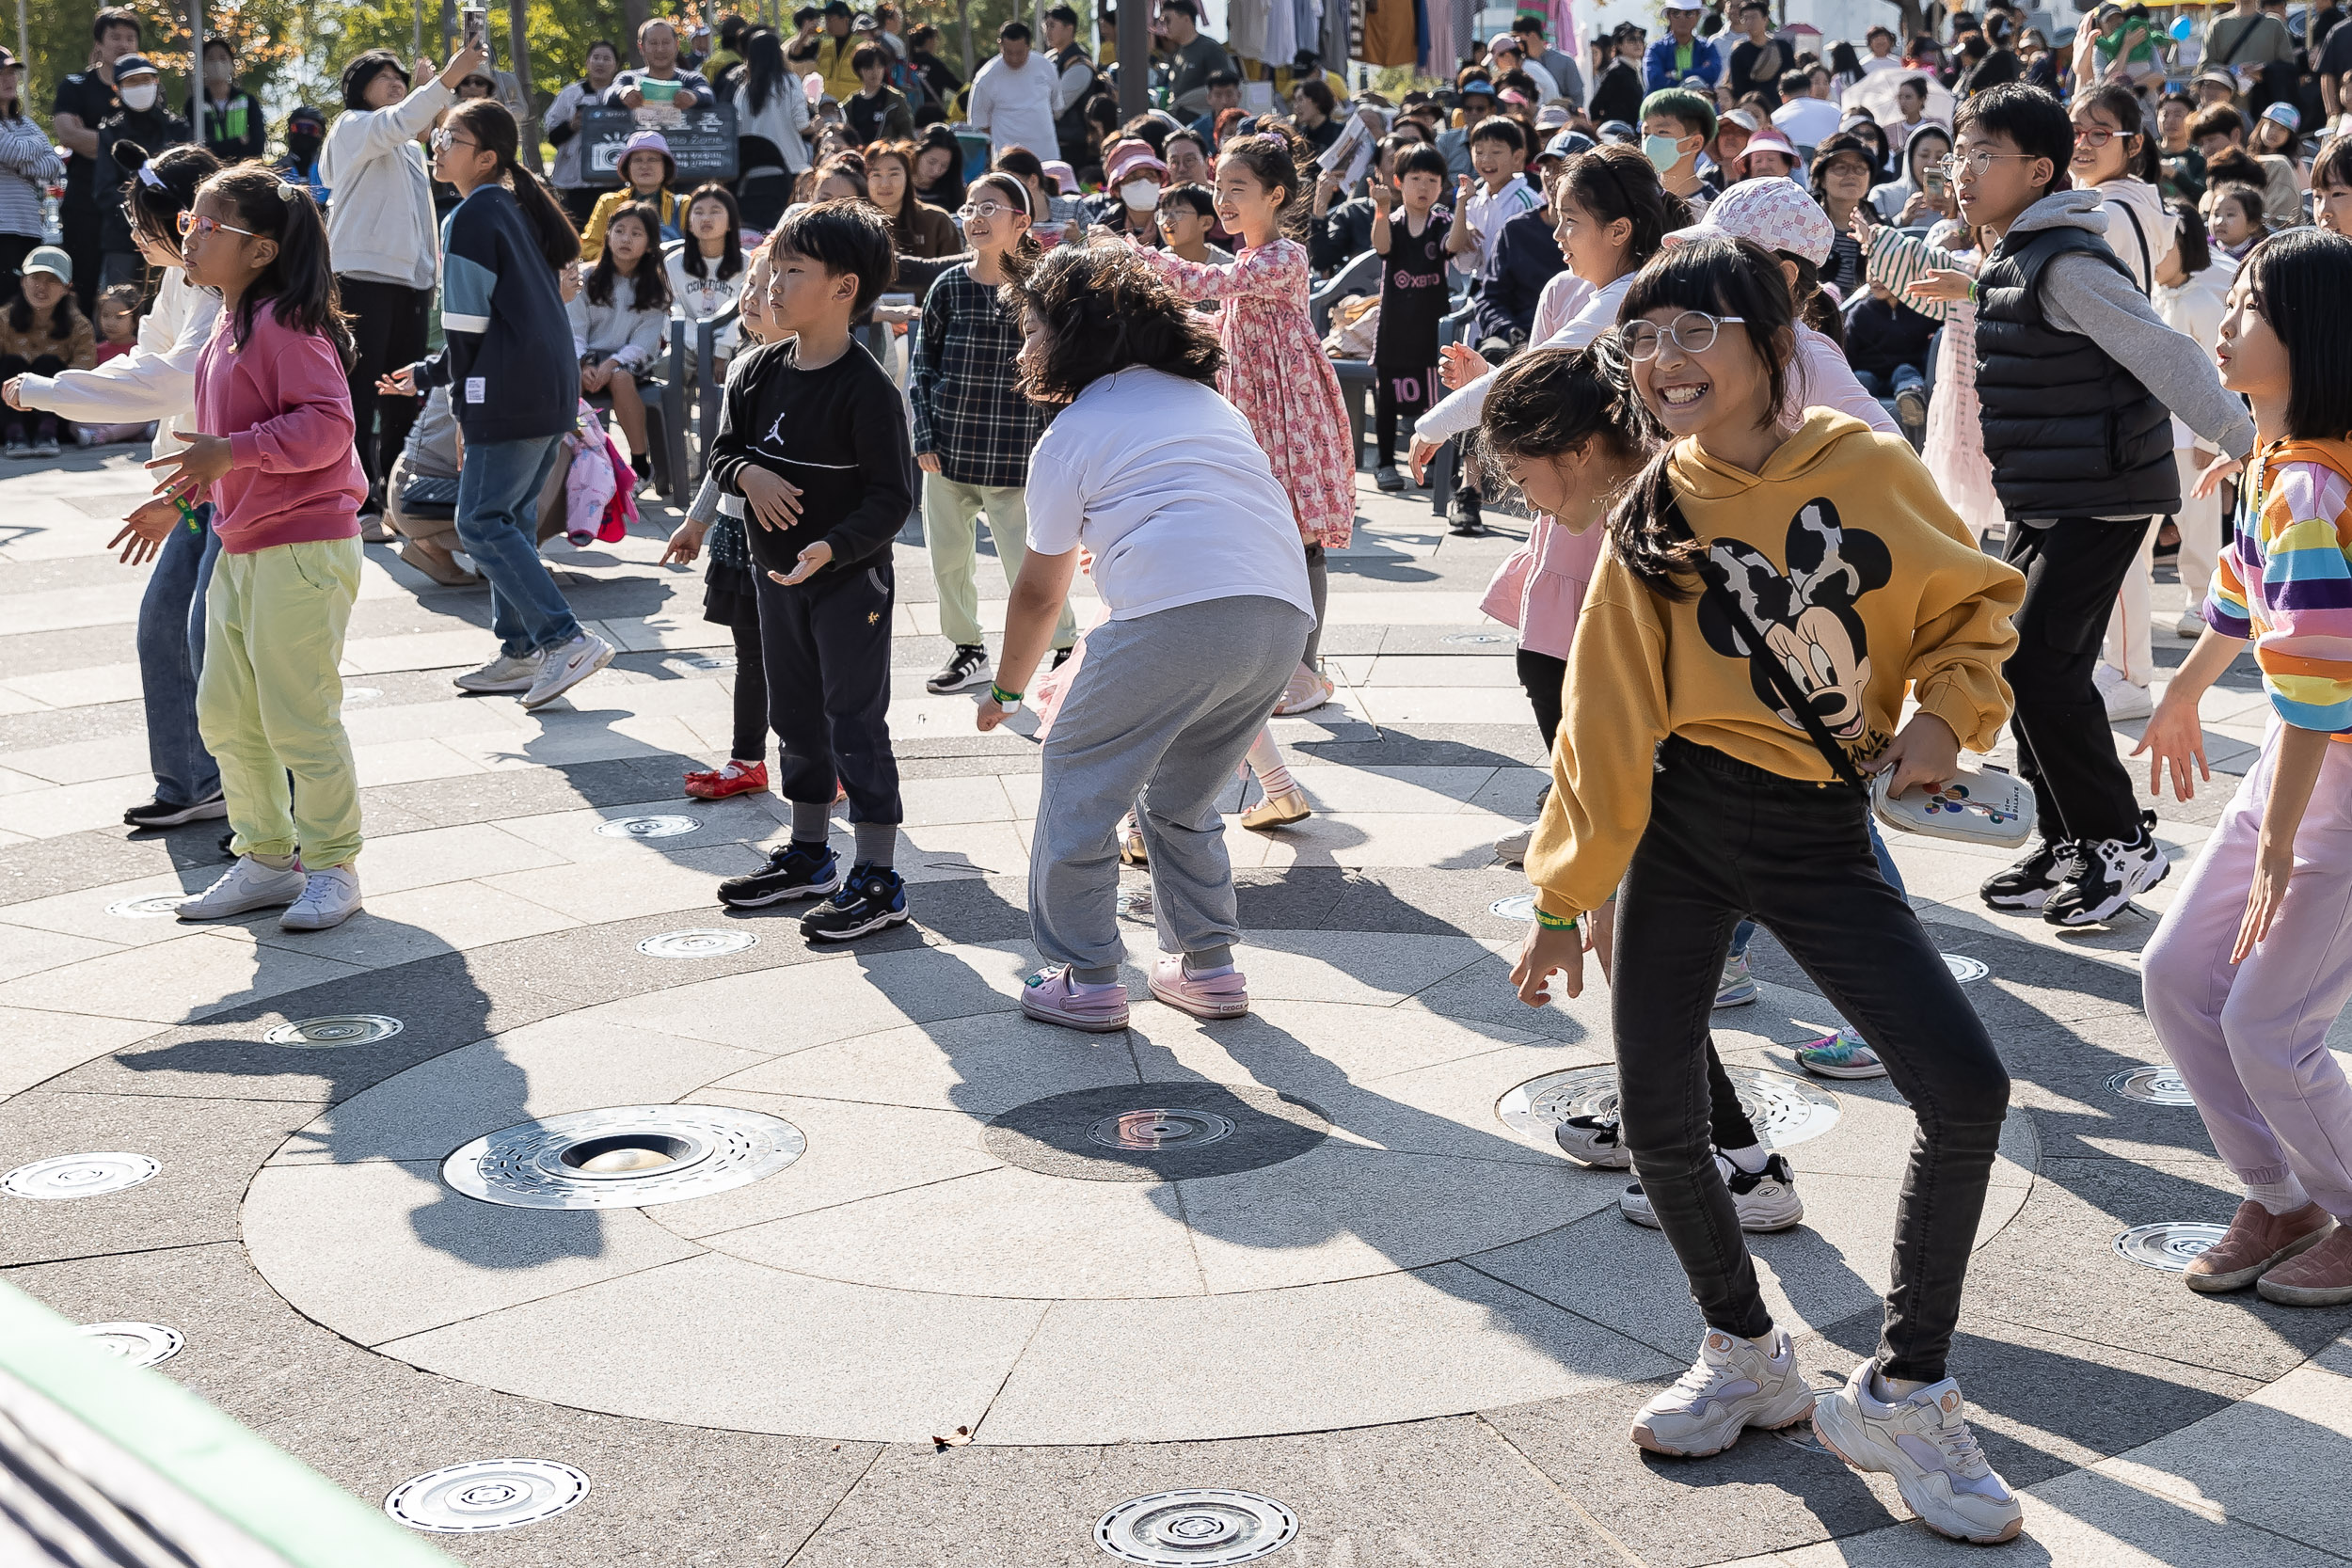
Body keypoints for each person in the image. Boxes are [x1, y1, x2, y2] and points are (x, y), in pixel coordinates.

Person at [1509, 232, 2026, 1543]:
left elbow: (1974, 600)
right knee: (1663, 1116)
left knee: (1965, 1086)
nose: (1667, 361)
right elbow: (1603, 721)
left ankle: (1909, 1384)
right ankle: (1746, 1350)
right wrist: (1565, 898)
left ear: (1766, 338)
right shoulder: (1651, 512)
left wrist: (1948, 716)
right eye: (1646, 337)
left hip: (1815, 827)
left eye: (1694, 329)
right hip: (1682, 823)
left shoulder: (1866, 465)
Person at [977, 245, 1312, 1030]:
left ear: (1076, 334)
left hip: (1175, 614)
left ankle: (1087, 976)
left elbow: (1037, 592)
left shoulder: (1072, 430)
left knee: (1078, 777)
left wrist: (1006, 688)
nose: (1023, 347)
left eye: (1032, 328)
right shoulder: (1208, 402)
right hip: (1278, 615)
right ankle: (1208, 967)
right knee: (1183, 797)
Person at [1947, 85, 2255, 927]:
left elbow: (2165, 353)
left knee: (2042, 665)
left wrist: (2244, 442)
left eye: (1984, 157)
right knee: (2023, 660)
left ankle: (2120, 841)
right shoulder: (2013, 258)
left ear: (2038, 170)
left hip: (2104, 492)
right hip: (2053, 494)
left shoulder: (2070, 264)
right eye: (1959, 155)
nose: (1963, 173)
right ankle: (2070, 842)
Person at [2137, 229, 2352, 1307]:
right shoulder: (2271, 463)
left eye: (2248, 308)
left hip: (2336, 779)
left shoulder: (2311, 484)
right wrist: (2182, 691)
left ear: (2306, 338)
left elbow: (2322, 678)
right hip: (2299, 760)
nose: (2223, 325)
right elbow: (2237, 585)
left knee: (2269, 1023)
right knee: (2176, 978)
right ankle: (2278, 1192)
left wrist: (2274, 849)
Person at [151, 166, 371, 933]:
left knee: (298, 714)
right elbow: (222, 453)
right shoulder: (225, 322)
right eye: (191, 221)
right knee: (228, 714)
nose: (191, 235)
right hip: (242, 544)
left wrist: (232, 453)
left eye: (207, 225)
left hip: (304, 548)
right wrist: (181, 497)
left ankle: (333, 863)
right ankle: (268, 859)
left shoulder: (285, 323)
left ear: (260, 249)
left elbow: (328, 428)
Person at [1126, 132, 1354, 817]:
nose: (1223, 201)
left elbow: (1205, 282)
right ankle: (1290, 676)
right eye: (1219, 189)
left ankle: (1303, 666)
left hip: (1283, 407)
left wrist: (1134, 254)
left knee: (1296, 530)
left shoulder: (1282, 254)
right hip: (1254, 400)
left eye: (1237, 190)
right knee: (1273, 529)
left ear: (1276, 195)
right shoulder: (1255, 255)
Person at [707, 203, 915, 940]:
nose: (773, 283)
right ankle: (808, 854)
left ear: (842, 287)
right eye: (774, 267)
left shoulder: (867, 389)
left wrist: (835, 546)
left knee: (853, 721)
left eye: (794, 271)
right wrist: (750, 476)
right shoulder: (758, 369)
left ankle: (881, 875)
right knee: (792, 715)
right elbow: (723, 452)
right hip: (775, 582)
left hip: (847, 582)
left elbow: (893, 498)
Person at [6, 142, 223, 829]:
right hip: (197, 492)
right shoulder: (184, 285)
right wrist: (173, 495)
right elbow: (147, 363)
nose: (133, 232)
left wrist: (45, 390)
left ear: (185, 220)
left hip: (243, 489)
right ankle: (194, 781)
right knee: (166, 629)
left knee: (227, 648)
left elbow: (165, 381)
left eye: (142, 218)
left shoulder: (223, 292)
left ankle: (273, 816)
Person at [388, 98, 613, 712]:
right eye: (439, 136)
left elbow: (466, 329)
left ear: (485, 157)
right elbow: (488, 328)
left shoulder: (470, 217)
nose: (438, 145)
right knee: (506, 521)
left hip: (509, 392)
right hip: (546, 389)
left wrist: (457, 394)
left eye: (451, 138)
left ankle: (564, 639)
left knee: (480, 521)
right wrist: (434, 372)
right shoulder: (506, 208)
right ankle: (519, 652)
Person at [909, 169, 1077, 698]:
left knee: (1028, 561)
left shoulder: (1041, 289)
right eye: (969, 208)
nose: (975, 218)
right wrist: (923, 435)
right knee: (948, 561)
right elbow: (923, 367)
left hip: (1016, 455)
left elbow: (1060, 371)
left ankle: (1066, 645)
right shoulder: (949, 286)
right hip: (948, 454)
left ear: (1021, 221)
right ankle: (968, 649)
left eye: (990, 208)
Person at [324, 42, 484, 530]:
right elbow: (396, 121)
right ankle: (355, 501)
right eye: (383, 76)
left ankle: (390, 496)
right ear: (357, 89)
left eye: (400, 76)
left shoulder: (410, 149)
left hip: (410, 286)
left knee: (402, 393)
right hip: (361, 280)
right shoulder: (351, 127)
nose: (394, 82)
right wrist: (443, 81)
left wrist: (427, 279)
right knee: (359, 392)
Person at [661, 245, 780, 800]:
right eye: (750, 287)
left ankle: (824, 758)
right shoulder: (740, 367)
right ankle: (747, 759)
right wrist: (698, 521)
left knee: (806, 656)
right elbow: (724, 455)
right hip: (739, 532)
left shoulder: (824, 371)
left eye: (772, 286)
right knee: (751, 654)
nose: (754, 299)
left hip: (793, 536)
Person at [1851, 201, 2005, 542]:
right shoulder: (1961, 269)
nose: (1997, 238)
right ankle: (1964, 562)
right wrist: (1876, 239)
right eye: (1989, 231)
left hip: (2004, 391)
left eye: (2002, 230)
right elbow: (1923, 264)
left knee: (2004, 483)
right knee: (1957, 491)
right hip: (1962, 394)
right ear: (1977, 236)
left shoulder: (2020, 273)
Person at [2151, 201, 2232, 638]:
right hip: (2155, 431)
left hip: (2191, 435)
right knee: (2146, 525)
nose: (2154, 255)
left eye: (2162, 246)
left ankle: (2202, 598)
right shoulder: (2155, 296)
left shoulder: (2204, 300)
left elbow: (2217, 375)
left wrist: (2209, 438)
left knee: (2196, 522)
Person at [1368, 144, 1452, 492]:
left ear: (1442, 185)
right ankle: (1386, 462)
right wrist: (1381, 209)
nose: (1423, 186)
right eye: (1415, 178)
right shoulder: (1393, 219)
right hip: (1394, 330)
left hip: (1431, 332)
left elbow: (1455, 246)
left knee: (1436, 403)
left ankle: (1434, 464)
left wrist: (1462, 205)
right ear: (1398, 181)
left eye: (1432, 180)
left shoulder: (1443, 221)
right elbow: (1382, 248)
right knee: (1386, 401)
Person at [570, 202, 670, 485]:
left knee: (621, 379)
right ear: (608, 235)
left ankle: (639, 465)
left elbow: (645, 341)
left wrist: (611, 363)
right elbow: (574, 328)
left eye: (636, 233)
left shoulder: (654, 289)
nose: (626, 239)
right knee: (569, 378)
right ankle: (565, 457)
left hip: (629, 363)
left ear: (650, 243)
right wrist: (584, 363)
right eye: (620, 230)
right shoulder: (585, 278)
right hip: (584, 357)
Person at [52, 8, 143, 312]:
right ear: (99, 44)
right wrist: (124, 147)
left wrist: (93, 138)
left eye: (130, 38)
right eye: (115, 36)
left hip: (129, 204)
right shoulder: (75, 86)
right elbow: (67, 134)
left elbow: (152, 146)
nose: (123, 44)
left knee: (132, 293)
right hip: (83, 204)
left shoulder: (146, 89)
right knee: (83, 284)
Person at [93, 55, 189, 292]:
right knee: (118, 313)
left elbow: (189, 181)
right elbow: (105, 191)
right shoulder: (110, 133)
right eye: (132, 82)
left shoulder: (179, 128)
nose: (140, 87)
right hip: (123, 239)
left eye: (145, 80)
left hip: (172, 238)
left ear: (156, 82)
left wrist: (164, 217)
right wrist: (141, 219)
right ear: (117, 88)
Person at [0, 248, 95, 456]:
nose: (41, 287)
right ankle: (13, 435)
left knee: (49, 364)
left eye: (52, 280)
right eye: (35, 278)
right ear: (23, 281)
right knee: (11, 364)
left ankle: (46, 435)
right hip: (4, 414)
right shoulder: (3, 320)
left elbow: (82, 375)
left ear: (66, 288)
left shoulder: (80, 326)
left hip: (57, 416)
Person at [736, 28, 815, 230]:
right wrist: (819, 124)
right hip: (792, 171)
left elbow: (737, 132)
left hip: (753, 176)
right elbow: (802, 125)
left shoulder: (743, 91)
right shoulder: (790, 82)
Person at [667, 182, 747, 377]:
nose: (706, 218)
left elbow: (745, 313)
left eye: (715, 211)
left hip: (733, 345)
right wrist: (700, 347)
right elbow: (671, 311)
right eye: (698, 212)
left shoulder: (749, 263)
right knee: (666, 366)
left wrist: (721, 351)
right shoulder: (672, 263)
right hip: (687, 344)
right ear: (689, 223)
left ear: (730, 222)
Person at [0, 54, 61, 289]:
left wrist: (21, 160)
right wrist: (36, 145)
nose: (9, 80)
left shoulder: (25, 124)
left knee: (20, 308)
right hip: (3, 229)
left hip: (30, 229)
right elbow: (13, 152)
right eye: (1, 74)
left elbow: (53, 164)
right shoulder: (33, 132)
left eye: (11, 73)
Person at [546, 40, 623, 226]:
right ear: (587, 62)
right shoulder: (570, 95)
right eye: (596, 58)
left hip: (613, 180)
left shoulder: (622, 96)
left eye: (606, 59)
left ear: (616, 65)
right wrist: (572, 126)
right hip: (576, 182)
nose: (600, 63)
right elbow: (552, 136)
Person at [581, 131, 685, 261]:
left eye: (652, 159)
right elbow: (589, 246)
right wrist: (622, 260)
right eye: (637, 160)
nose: (644, 166)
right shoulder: (609, 202)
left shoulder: (683, 205)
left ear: (666, 167)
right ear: (627, 167)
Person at [969, 22, 1065, 163]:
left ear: (1029, 46)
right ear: (1000, 45)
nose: (1014, 58)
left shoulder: (1046, 67)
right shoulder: (986, 77)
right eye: (1008, 52)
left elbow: (1057, 107)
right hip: (1008, 160)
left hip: (1047, 155)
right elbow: (979, 125)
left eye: (1019, 53)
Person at [1809, 132, 1876, 293]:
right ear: (1822, 179)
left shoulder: (1879, 227)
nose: (1851, 175)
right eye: (1841, 168)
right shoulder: (1805, 224)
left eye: (1860, 168)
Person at [1641, 89, 1717, 216]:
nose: (1650, 141)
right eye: (1646, 134)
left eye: (1662, 132)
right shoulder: (1637, 196)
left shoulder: (1713, 207)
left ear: (1695, 143)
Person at [188, 38, 264, 164]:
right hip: (209, 173)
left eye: (223, 58)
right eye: (210, 59)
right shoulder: (195, 104)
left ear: (232, 65)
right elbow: (199, 147)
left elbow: (257, 145)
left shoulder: (247, 101)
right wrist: (239, 141)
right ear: (202, 66)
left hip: (244, 172)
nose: (217, 64)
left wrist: (219, 147)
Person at [609, 18, 710, 110]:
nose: (660, 49)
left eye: (666, 42)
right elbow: (609, 93)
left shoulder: (692, 80)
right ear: (641, 47)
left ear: (676, 45)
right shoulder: (628, 79)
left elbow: (708, 94)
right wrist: (624, 92)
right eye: (653, 43)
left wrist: (694, 96)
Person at [1160, 0, 1234, 118]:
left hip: (1203, 127)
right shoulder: (1178, 52)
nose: (1164, 26)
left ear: (1186, 19)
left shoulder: (1210, 48)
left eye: (1168, 20)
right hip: (1180, 123)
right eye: (1162, 22)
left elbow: (1226, 86)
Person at [844, 40, 914, 145]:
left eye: (879, 66)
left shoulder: (896, 99)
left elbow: (907, 134)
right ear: (859, 70)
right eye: (869, 67)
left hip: (887, 158)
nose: (875, 72)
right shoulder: (850, 103)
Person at [1645, 2, 1724, 91]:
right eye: (1676, 13)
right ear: (1668, 16)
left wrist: (1677, 74)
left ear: (1697, 17)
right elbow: (1655, 81)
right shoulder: (1655, 49)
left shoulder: (1707, 47)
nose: (1682, 19)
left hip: (1700, 104)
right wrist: (1698, 76)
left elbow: (1712, 74)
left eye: (1689, 14)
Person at [1514, 14, 1585, 108]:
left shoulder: (1565, 61)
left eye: (1518, 38)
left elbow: (1577, 99)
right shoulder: (1519, 65)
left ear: (1533, 35)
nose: (1516, 43)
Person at [1726, 2, 1789, 107]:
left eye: (1754, 17)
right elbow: (1739, 89)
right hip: (1754, 109)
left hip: (1782, 106)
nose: (1750, 22)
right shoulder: (1739, 53)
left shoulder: (1783, 48)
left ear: (1765, 19)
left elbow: (1790, 77)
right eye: (1745, 18)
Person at [1590, 25, 1647, 128]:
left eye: (1640, 39)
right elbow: (1595, 106)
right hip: (1618, 134)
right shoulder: (1616, 71)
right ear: (1619, 45)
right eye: (1631, 40)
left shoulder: (1638, 69)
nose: (1638, 43)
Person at [1773, 68, 1843, 148]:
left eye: (1826, 82)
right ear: (1809, 89)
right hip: (1831, 157)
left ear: (1782, 96)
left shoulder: (1774, 118)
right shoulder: (1835, 109)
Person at [275, 105, 329, 205]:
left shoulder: (330, 170)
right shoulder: (275, 172)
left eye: (311, 129)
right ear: (290, 131)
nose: (304, 132)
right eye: (298, 127)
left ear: (321, 134)